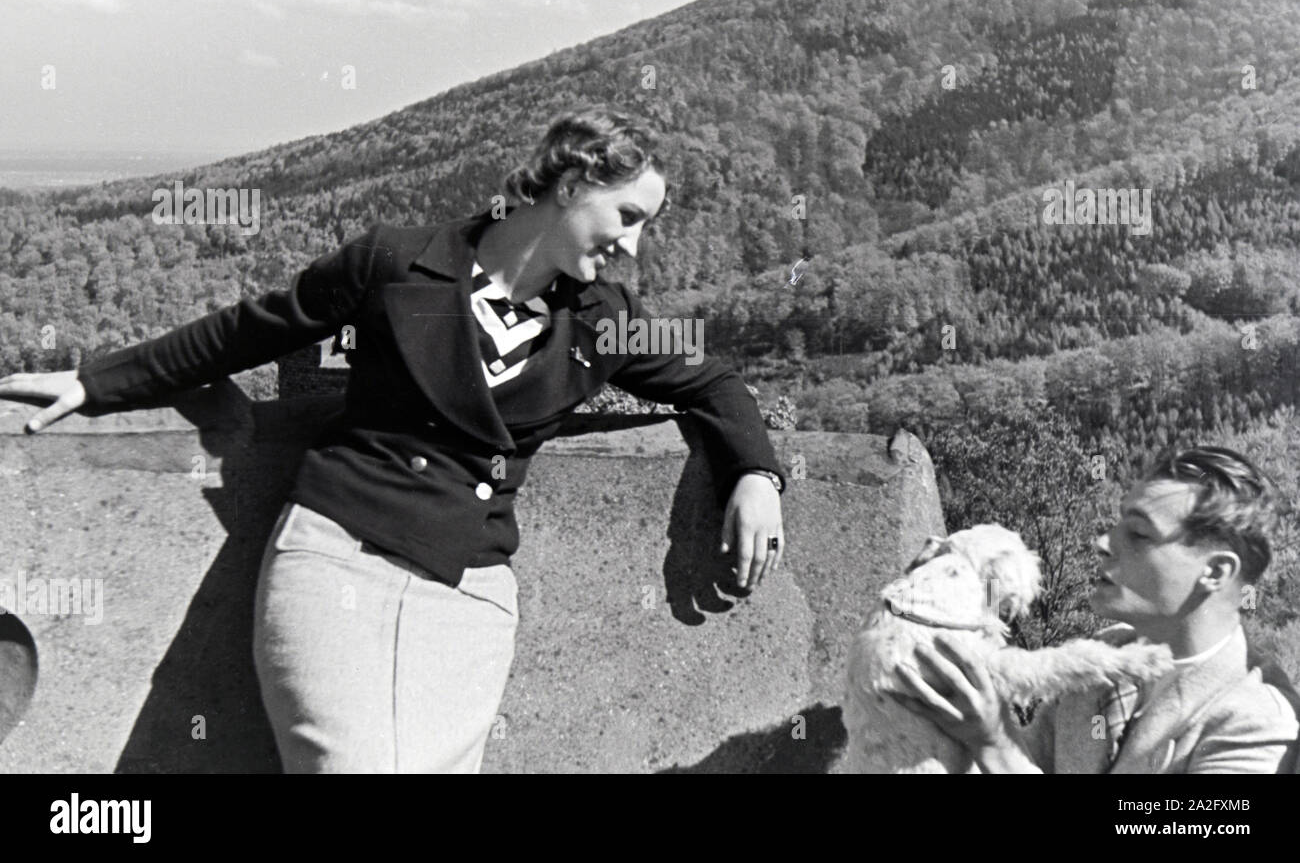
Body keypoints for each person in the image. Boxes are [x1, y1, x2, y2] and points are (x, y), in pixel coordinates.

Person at [0, 108, 789, 773]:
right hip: (341, 555)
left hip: (469, 591)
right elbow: (249, 330)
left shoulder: (603, 318)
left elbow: (711, 381)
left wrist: (755, 474)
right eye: (629, 216)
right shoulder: (394, 259)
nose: (633, 245)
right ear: (573, 184)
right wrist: (96, 382)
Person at [888, 445, 1300, 773]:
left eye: (1138, 534)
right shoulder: (1100, 663)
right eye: (1118, 523)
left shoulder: (1258, 720)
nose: (1103, 542)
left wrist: (993, 742)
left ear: (1214, 572)